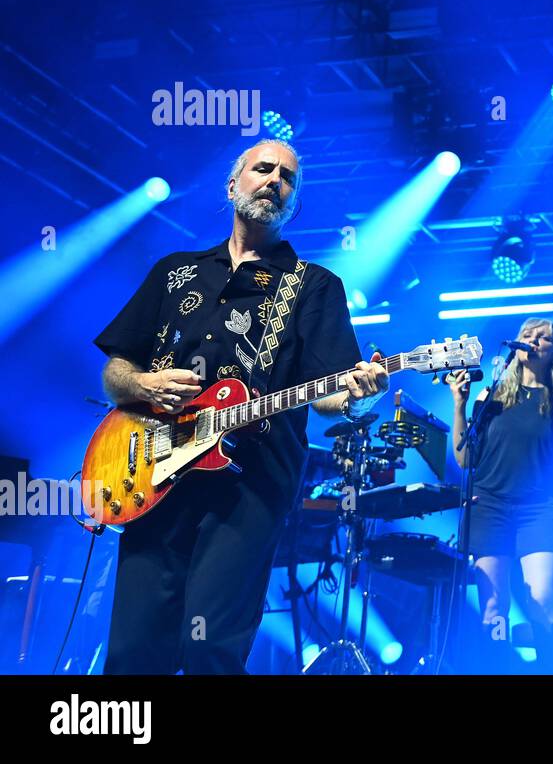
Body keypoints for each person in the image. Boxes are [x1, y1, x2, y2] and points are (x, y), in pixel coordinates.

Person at [94, 139, 389, 673]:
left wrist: (355, 392)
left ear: (293, 203)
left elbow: (325, 394)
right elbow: (115, 371)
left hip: (248, 487)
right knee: (132, 652)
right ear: (234, 185)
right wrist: (144, 386)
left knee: (210, 647)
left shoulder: (314, 287)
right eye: (264, 169)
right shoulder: (174, 271)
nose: (275, 179)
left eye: (289, 178)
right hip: (152, 473)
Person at [447, 318, 553, 666]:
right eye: (527, 335)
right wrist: (460, 405)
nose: (533, 340)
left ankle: (550, 666)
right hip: (489, 508)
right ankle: (496, 665)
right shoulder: (491, 397)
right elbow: (465, 459)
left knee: (542, 601)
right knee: (494, 607)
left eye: (543, 338)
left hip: (540, 510)